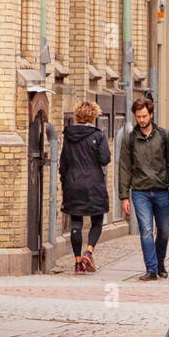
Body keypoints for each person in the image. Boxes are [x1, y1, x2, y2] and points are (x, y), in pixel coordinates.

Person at [119, 97, 169, 281]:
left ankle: (160, 263)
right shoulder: (130, 139)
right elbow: (125, 167)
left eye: (144, 116)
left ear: (151, 114)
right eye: (138, 117)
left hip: (160, 190)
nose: (141, 120)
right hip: (140, 191)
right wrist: (124, 196)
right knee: (146, 230)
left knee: (164, 230)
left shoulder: (164, 136)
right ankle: (151, 269)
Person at [60, 101, 111, 274]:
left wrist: (64, 183)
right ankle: (88, 252)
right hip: (93, 183)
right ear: (94, 115)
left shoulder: (68, 135)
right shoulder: (98, 135)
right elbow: (105, 158)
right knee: (97, 220)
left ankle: (77, 264)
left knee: (76, 221)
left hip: (73, 183)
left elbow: (63, 163)